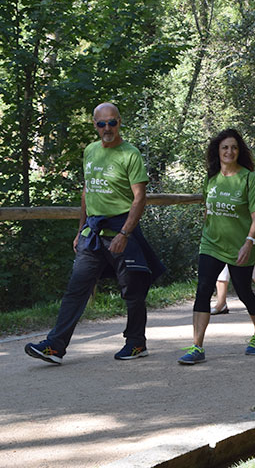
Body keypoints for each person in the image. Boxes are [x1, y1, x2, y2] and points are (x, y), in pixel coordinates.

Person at [25, 103, 164, 365]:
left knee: (132, 291)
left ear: (120, 122)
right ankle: (55, 346)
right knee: (76, 288)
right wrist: (81, 231)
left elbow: (139, 198)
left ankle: (136, 343)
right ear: (94, 125)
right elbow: (87, 192)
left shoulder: (130, 155)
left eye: (112, 122)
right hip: (93, 231)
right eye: (102, 124)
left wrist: (125, 233)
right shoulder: (90, 151)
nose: (107, 128)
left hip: (122, 229)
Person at [179, 130, 255, 364]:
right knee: (203, 290)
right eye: (225, 148)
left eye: (234, 148)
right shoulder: (211, 178)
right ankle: (197, 346)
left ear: (239, 151)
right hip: (211, 244)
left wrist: (249, 243)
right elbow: (208, 210)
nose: (229, 152)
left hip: (241, 245)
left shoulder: (250, 179)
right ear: (217, 152)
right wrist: (207, 232)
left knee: (243, 291)